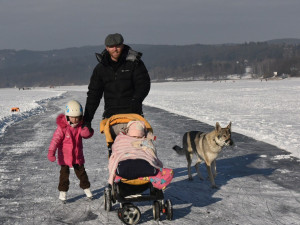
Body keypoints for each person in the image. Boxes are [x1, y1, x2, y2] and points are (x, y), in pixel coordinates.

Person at [82, 33, 151, 135]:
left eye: (118, 46)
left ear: (122, 45)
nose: (115, 49)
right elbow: (94, 95)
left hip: (133, 116)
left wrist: (135, 101)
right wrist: (87, 121)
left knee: (135, 148)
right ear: (107, 48)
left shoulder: (134, 63)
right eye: (111, 47)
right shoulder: (101, 68)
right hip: (111, 117)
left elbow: (143, 84)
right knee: (115, 150)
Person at [47, 100, 94, 202]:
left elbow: (86, 134)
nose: (75, 120)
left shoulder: (80, 126)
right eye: (73, 117)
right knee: (64, 176)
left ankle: (87, 190)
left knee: (82, 174)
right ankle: (62, 193)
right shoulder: (62, 128)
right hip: (65, 156)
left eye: (78, 117)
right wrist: (51, 152)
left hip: (77, 156)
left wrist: (88, 131)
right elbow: (55, 140)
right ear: (67, 116)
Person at [108, 120, 162, 185]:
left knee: (120, 160)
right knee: (148, 159)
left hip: (124, 164)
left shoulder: (121, 138)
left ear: (128, 131)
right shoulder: (146, 140)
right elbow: (152, 151)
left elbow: (115, 148)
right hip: (145, 163)